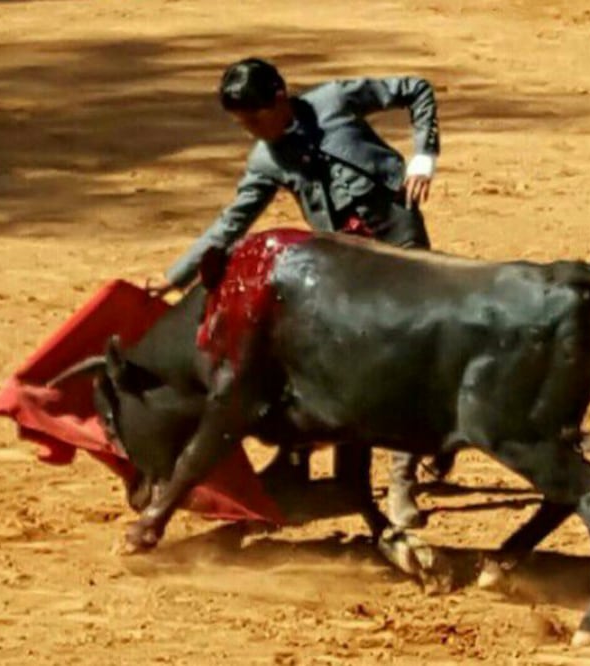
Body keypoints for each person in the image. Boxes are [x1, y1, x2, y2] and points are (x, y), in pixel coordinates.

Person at [150, 57, 452, 528]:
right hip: (346, 264)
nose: (251, 130)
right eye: (242, 124)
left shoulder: (332, 101)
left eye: (254, 118)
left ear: (279, 97)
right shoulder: (265, 158)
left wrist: (423, 156)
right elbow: (232, 223)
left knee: (410, 353)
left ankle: (402, 477)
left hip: (398, 235)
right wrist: (176, 276)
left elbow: (415, 88)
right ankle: (303, 461)